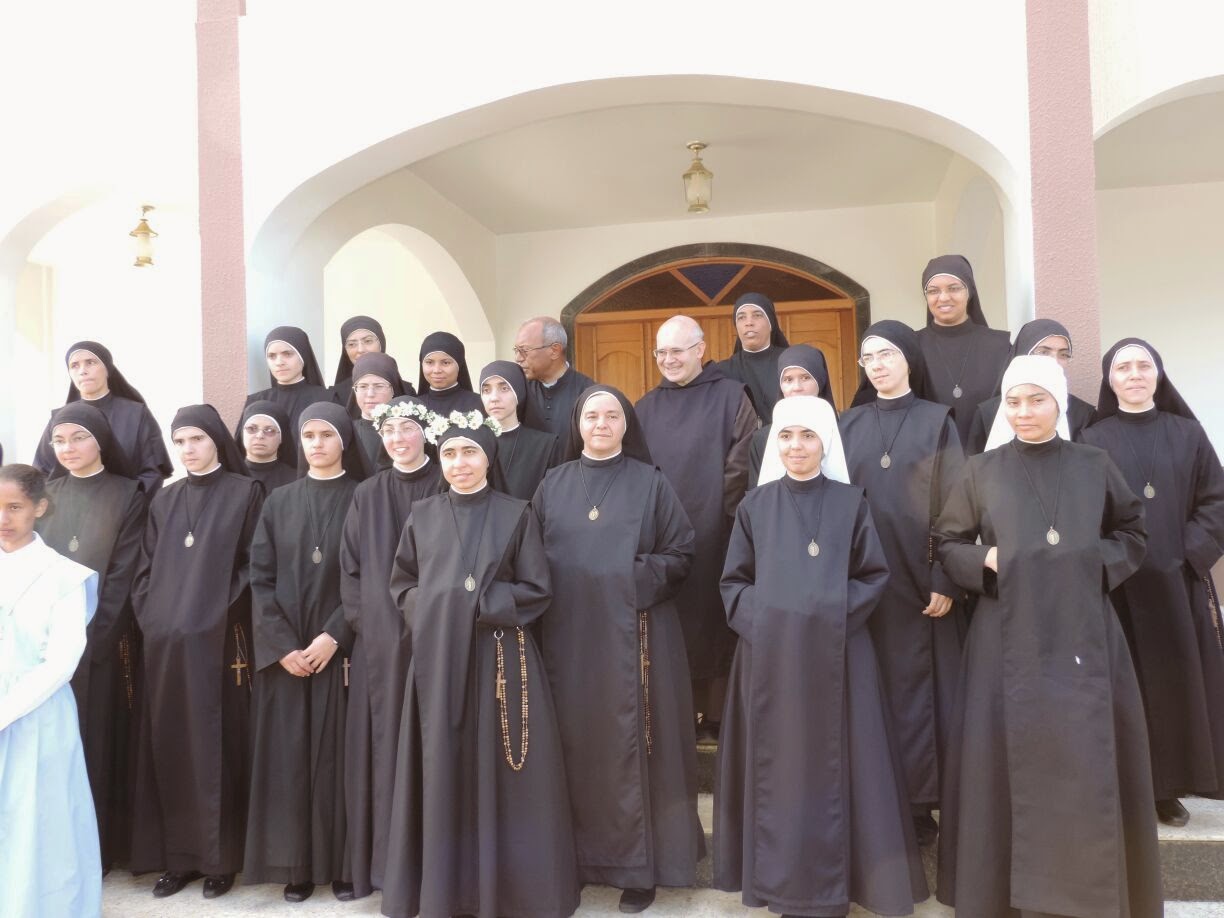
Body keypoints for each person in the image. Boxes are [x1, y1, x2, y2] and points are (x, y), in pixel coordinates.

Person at [934, 355, 1161, 917]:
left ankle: (1086, 893)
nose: (1024, 412)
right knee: (1004, 769)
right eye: (1013, 402)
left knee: (1082, 766)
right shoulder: (981, 470)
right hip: (1002, 636)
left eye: (1036, 400)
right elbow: (946, 543)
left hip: (1083, 634)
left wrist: (1087, 565)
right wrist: (984, 557)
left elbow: (1132, 532)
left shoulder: (1094, 462)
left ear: (1058, 403)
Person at [714, 396, 928, 917]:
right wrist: (770, 620)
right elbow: (733, 583)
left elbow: (873, 575)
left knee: (846, 769)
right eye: (786, 436)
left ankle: (845, 884)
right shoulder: (754, 507)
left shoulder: (851, 503)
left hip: (841, 657)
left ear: (825, 441)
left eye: (808, 436)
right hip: (768, 660)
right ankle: (784, 887)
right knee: (780, 772)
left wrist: (824, 616)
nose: (796, 447)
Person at [381, 412, 579, 918]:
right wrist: (443, 605)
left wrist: (474, 602)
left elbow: (537, 589)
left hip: (501, 660)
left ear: (487, 458)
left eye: (469, 452)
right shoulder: (421, 515)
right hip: (436, 661)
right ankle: (444, 892)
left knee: (503, 777)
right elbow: (403, 586)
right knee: (441, 768)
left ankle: (506, 891)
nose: (459, 463)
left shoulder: (517, 513)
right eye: (449, 454)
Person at [533, 387, 701, 913]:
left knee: (637, 749)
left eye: (611, 415)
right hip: (567, 641)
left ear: (627, 425)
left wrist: (622, 578)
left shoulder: (651, 483)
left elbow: (680, 552)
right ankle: (578, 860)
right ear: (577, 424)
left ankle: (639, 868)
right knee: (573, 746)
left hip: (639, 636)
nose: (601, 423)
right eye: (591, 415)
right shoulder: (553, 483)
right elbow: (530, 558)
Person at [1081, 338, 1224, 828]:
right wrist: (1108, 561)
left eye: (1145, 365)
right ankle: (1132, 785)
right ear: (1109, 379)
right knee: (1128, 686)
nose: (1135, 374)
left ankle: (1171, 787)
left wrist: (1188, 552)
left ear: (1159, 375)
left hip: (1179, 583)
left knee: (1178, 683)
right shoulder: (1094, 440)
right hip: (1119, 588)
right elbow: (1084, 513)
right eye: (1124, 367)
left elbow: (1216, 500)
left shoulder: (1187, 433)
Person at [838, 320, 965, 847]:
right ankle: (871, 801)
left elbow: (958, 503)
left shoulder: (938, 421)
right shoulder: (846, 424)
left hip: (920, 581)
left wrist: (944, 575)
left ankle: (917, 805)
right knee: (869, 691)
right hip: (862, 579)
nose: (877, 364)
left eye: (887, 354)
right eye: (868, 357)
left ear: (909, 359)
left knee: (917, 696)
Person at [129, 404, 264, 899]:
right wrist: (157, 620)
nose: (188, 450)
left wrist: (211, 616)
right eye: (180, 441)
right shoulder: (165, 501)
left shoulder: (246, 492)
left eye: (197, 440)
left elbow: (254, 565)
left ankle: (220, 860)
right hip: (166, 646)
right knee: (171, 744)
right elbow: (143, 574)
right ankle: (178, 858)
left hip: (221, 641)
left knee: (217, 745)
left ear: (216, 442)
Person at [245, 402, 367, 902]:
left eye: (326, 435)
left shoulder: (364, 497)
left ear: (344, 442)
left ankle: (343, 865)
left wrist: (335, 635)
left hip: (340, 652)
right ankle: (295, 865)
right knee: (289, 761)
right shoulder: (278, 501)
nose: (316, 443)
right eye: (309, 435)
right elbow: (260, 579)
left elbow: (370, 574)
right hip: (288, 659)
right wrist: (282, 646)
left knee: (341, 762)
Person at [36, 402, 147, 870]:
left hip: (103, 643)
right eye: (59, 440)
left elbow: (124, 571)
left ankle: (96, 848)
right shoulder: (46, 494)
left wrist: (92, 638)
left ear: (100, 439)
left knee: (96, 742)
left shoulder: (129, 493)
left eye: (78, 438)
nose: (68, 449)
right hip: (44, 648)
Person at [339, 396, 442, 899]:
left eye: (408, 429)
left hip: (442, 641)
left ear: (426, 432)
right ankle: (387, 870)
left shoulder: (451, 479)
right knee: (384, 756)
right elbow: (352, 569)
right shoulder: (367, 493)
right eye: (389, 432)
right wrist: (368, 625)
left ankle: (439, 868)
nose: (398, 439)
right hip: (380, 646)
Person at [636, 315, 756, 743]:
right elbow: (637, 469)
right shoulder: (645, 407)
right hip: (661, 537)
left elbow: (742, 462)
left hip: (718, 532)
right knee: (673, 625)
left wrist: (718, 518)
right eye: (661, 352)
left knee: (715, 621)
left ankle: (720, 719)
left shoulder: (732, 397)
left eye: (678, 350)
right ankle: (677, 715)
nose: (668, 360)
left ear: (701, 349)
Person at [0, 464, 103, 918]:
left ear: (40, 508)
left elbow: (61, 660)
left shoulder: (65, 576)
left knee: (37, 822)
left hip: (37, 716)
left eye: (15, 507)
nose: (4, 517)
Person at [32, 340, 173, 498]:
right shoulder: (60, 419)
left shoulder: (135, 414)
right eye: (75, 365)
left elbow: (152, 471)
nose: (83, 371)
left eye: (90, 362)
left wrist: (129, 505)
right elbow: (41, 472)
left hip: (126, 513)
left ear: (107, 368)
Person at [915, 255, 1011, 445]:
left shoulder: (999, 346)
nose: (943, 297)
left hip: (988, 459)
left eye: (954, 288)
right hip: (929, 463)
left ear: (970, 291)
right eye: (933, 291)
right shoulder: (912, 346)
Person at [965, 318, 1095, 455]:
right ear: (1022, 352)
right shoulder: (987, 412)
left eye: (1063, 355)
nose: (1054, 361)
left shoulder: (1083, 414)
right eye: (1044, 352)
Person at [746, 343, 838, 487]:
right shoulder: (761, 439)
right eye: (788, 379)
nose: (797, 388)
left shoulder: (844, 433)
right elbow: (756, 499)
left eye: (805, 378)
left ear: (820, 381)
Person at [240, 326, 332, 455]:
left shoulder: (327, 399)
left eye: (287, 354)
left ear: (303, 355)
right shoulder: (255, 401)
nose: (279, 362)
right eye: (272, 356)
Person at [479, 360, 559, 500]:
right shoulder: (473, 442)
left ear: (519, 392)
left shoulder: (545, 445)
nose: (494, 398)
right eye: (486, 390)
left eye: (504, 388)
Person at [514, 316, 596, 439]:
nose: (518, 358)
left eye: (525, 350)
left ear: (554, 351)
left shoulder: (588, 393)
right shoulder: (519, 390)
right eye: (516, 350)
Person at [715, 292, 791, 423]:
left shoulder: (791, 363)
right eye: (741, 317)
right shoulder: (722, 371)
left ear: (771, 323)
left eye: (757, 315)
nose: (749, 323)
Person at [347, 352, 408, 466]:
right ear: (355, 390)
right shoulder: (346, 432)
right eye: (363, 386)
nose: (370, 394)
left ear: (393, 389)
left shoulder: (410, 431)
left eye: (379, 386)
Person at [331, 315, 399, 406]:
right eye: (351, 344)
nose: (360, 350)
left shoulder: (407, 390)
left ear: (381, 343)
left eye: (368, 341)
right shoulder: (335, 395)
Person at [414, 330, 484, 416]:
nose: (436, 370)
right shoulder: (413, 407)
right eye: (429, 362)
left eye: (445, 363)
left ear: (459, 365)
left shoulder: (480, 405)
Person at [237, 400, 298, 493]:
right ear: (242, 433)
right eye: (251, 429)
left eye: (269, 430)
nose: (259, 436)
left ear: (281, 437)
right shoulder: (229, 479)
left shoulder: (296, 481)